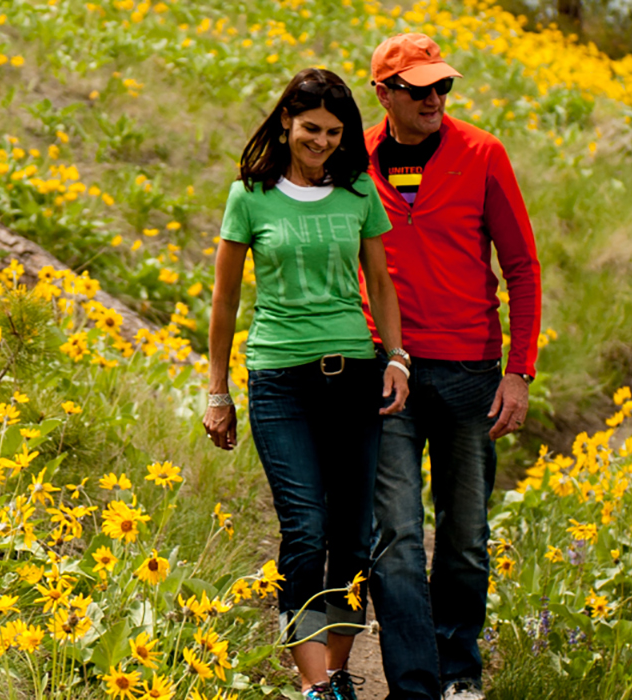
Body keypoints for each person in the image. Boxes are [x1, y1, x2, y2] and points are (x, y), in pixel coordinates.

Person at [203, 67, 411, 700]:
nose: (320, 140)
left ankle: (341, 672)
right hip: (279, 382)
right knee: (305, 531)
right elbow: (225, 298)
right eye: (310, 128)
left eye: (332, 131)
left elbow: (379, 283)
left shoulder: (358, 193)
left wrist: (397, 359)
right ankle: (315, 685)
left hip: (356, 376)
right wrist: (217, 390)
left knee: (353, 534)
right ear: (287, 122)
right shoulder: (250, 195)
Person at [361, 34, 542, 700]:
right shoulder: (354, 162)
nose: (434, 98)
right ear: (384, 93)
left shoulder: (483, 154)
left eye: (443, 87)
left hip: (472, 373)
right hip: (388, 374)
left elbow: (522, 266)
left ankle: (460, 672)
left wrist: (519, 372)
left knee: (464, 536)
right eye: (419, 89)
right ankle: (414, 684)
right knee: (397, 536)